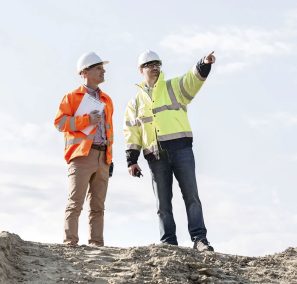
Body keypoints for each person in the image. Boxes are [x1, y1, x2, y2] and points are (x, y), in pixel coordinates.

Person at [124, 49, 216, 251]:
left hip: (181, 149)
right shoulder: (135, 103)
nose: (156, 68)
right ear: (141, 70)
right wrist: (132, 160)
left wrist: (203, 63)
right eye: (151, 65)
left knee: (191, 196)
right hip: (155, 156)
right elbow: (132, 131)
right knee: (163, 204)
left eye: (158, 64)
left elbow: (191, 80)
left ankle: (199, 239)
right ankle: (168, 243)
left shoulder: (172, 86)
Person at [54, 51, 114, 246]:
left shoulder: (107, 100)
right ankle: (70, 242)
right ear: (85, 72)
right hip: (81, 157)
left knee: (98, 205)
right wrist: (86, 120)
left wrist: (109, 158)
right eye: (98, 68)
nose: (103, 71)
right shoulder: (71, 97)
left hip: (102, 157)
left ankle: (96, 243)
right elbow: (60, 123)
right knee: (76, 202)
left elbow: (109, 131)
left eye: (102, 68)